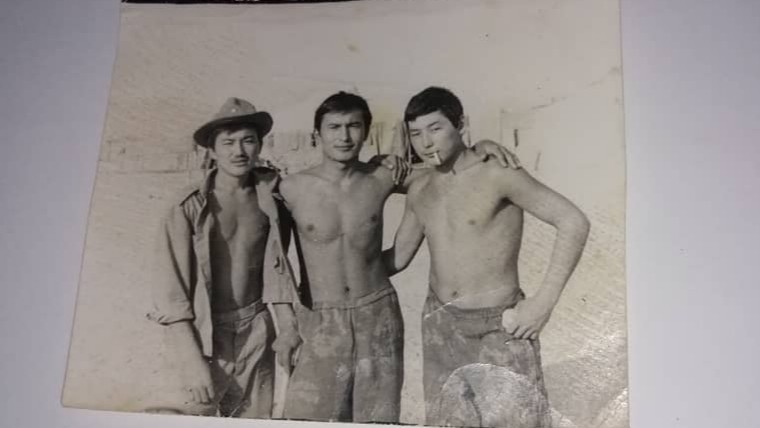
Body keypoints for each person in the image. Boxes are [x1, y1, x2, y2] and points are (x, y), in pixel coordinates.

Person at [274, 91, 517, 423]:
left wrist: (480, 148)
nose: (344, 136)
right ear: (317, 134)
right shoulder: (289, 188)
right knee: (307, 416)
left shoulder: (381, 176)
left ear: (366, 131)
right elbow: (273, 264)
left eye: (354, 126)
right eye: (334, 127)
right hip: (320, 315)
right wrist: (287, 323)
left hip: (378, 313)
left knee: (378, 417)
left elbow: (448, 168)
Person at [383, 87, 591, 427]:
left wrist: (543, 303)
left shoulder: (498, 173)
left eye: (435, 128)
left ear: (461, 125)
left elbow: (572, 221)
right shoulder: (420, 188)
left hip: (498, 326)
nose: (425, 142)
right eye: (415, 133)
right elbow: (398, 258)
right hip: (440, 326)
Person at [147, 97, 299, 418]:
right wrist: (192, 361)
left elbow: (277, 268)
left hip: (257, 328)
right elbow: (171, 293)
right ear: (212, 151)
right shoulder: (187, 206)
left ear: (260, 145)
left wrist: (287, 327)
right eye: (228, 142)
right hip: (202, 335)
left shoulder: (272, 199)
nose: (238, 151)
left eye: (248, 140)